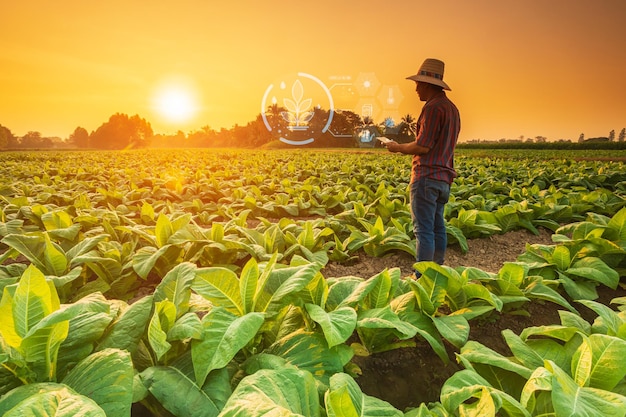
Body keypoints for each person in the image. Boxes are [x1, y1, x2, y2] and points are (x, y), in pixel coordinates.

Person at [385, 58, 460, 272]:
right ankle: (437, 272)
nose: (416, 89)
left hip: (427, 177)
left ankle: (423, 278)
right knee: (438, 228)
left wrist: (397, 147)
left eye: (418, 84)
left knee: (424, 230)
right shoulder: (452, 109)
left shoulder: (433, 108)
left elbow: (423, 146)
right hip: (444, 179)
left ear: (427, 84)